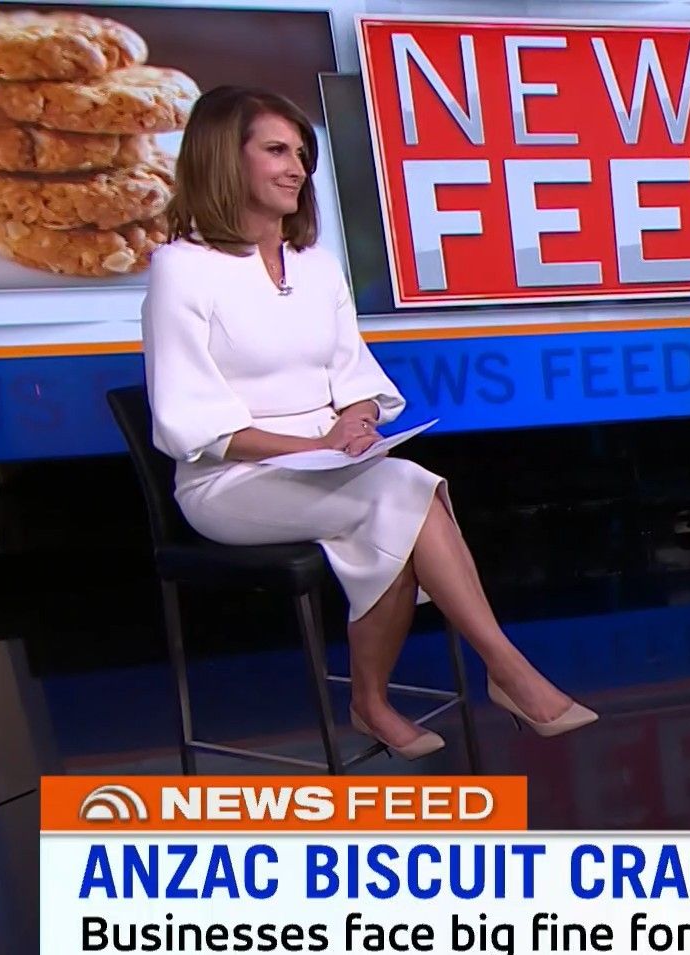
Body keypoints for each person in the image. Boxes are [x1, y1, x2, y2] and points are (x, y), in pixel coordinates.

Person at [141, 86, 597, 759]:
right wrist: (312, 445)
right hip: (231, 481)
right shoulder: (181, 270)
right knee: (401, 493)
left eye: (302, 153)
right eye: (276, 150)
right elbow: (193, 425)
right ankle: (502, 669)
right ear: (222, 158)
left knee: (397, 492)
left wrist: (354, 425)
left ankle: (379, 700)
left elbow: (356, 379)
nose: (298, 167)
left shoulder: (316, 267)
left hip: (329, 467)